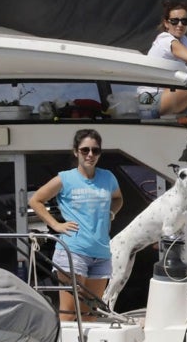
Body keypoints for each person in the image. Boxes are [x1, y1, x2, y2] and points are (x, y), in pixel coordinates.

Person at [29, 129, 124, 320]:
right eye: (85, 150)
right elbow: (35, 200)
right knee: (69, 311)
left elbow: (118, 198)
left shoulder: (108, 177)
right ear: (75, 152)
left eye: (95, 151)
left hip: (101, 252)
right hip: (73, 250)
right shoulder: (65, 178)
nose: (90, 155)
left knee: (92, 312)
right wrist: (56, 225)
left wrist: (111, 213)